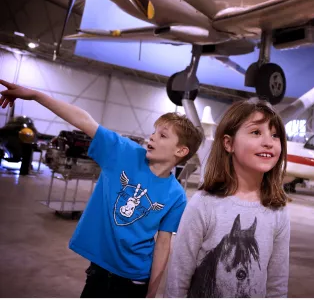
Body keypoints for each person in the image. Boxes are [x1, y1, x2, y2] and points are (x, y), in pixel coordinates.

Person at [0, 79, 204, 297]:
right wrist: (36, 96)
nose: (152, 136)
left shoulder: (176, 196)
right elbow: (84, 120)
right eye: (154, 131)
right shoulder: (123, 153)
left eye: (163, 135)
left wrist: (152, 292)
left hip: (135, 278)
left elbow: (164, 244)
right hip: (98, 271)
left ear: (181, 151)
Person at [164, 98, 290, 298]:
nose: (268, 142)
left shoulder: (277, 210)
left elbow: (277, 283)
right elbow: (178, 277)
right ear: (229, 143)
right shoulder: (203, 204)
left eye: (275, 135)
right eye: (256, 132)